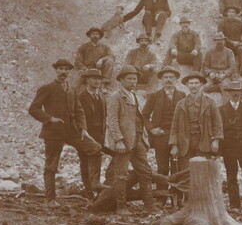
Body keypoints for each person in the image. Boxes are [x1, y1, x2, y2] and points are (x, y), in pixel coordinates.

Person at [28, 58, 83, 201]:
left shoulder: (72, 90)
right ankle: (51, 199)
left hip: (71, 132)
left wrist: (82, 128)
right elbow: (33, 109)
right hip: (53, 133)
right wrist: (50, 118)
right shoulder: (47, 88)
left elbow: (79, 111)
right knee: (51, 166)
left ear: (69, 72)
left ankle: (91, 193)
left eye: (66, 69)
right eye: (61, 69)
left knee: (93, 149)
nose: (63, 72)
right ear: (56, 70)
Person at [104, 66, 154, 208]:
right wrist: (118, 140)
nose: (133, 82)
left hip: (138, 142)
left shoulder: (134, 96)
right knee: (121, 175)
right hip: (124, 143)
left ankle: (150, 205)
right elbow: (112, 121)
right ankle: (121, 206)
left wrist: (144, 139)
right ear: (121, 80)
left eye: (135, 79)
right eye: (130, 79)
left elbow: (139, 120)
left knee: (145, 173)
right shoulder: (115, 97)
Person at [216, 80, 242, 211]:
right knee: (231, 176)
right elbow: (219, 129)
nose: (236, 94)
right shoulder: (222, 109)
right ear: (229, 93)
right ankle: (234, 205)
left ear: (241, 93)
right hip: (229, 147)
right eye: (233, 92)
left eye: (238, 92)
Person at [142, 66, 184, 187]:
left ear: (176, 79)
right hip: (161, 135)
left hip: (178, 135)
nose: (168, 80)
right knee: (162, 167)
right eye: (166, 77)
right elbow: (144, 115)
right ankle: (162, 194)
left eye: (171, 77)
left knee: (177, 167)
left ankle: (177, 194)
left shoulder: (182, 95)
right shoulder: (154, 96)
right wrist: (152, 129)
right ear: (161, 79)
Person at [170, 71, 222, 166]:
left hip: (204, 141)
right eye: (191, 83)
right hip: (185, 142)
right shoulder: (180, 104)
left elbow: (217, 122)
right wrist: (174, 145)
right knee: (186, 169)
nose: (193, 86)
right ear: (187, 85)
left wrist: (216, 140)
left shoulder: (210, 102)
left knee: (203, 169)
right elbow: (174, 126)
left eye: (196, 83)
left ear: (201, 85)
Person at [72, 67, 108, 196]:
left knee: (102, 157)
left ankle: (101, 186)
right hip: (85, 134)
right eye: (93, 78)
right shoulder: (81, 96)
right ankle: (89, 193)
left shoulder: (102, 96)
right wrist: (81, 131)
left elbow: (104, 116)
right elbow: (76, 116)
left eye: (99, 79)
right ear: (87, 80)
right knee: (85, 163)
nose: (97, 81)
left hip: (100, 134)